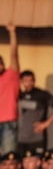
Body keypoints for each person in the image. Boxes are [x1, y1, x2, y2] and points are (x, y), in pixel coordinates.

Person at [1, 24, 22, 155]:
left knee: (9, 157)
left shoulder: (11, 75)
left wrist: (12, 33)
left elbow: (14, 54)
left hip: (8, 122)